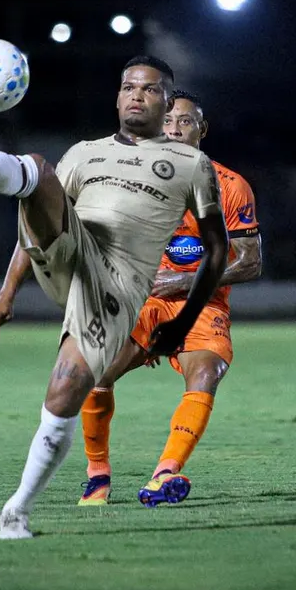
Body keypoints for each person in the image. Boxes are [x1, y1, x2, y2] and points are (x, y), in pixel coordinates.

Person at [0, 55, 229, 540]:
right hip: (71, 251)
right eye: (129, 86)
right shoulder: (85, 153)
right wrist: (5, 294)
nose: (137, 96)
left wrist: (182, 323)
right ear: (117, 97)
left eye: (150, 89)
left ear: (166, 103)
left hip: (115, 285)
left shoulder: (190, 164)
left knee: (67, 388)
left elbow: (217, 250)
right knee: (37, 169)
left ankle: (16, 511)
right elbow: (38, 222)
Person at [73, 90, 262, 507]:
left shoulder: (230, 186)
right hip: (142, 300)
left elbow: (250, 262)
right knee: (95, 370)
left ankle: (165, 473)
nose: (175, 129)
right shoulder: (129, 179)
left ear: (202, 129)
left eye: (186, 122)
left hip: (202, 302)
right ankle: (97, 475)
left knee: (206, 374)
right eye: (168, 121)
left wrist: (184, 281)